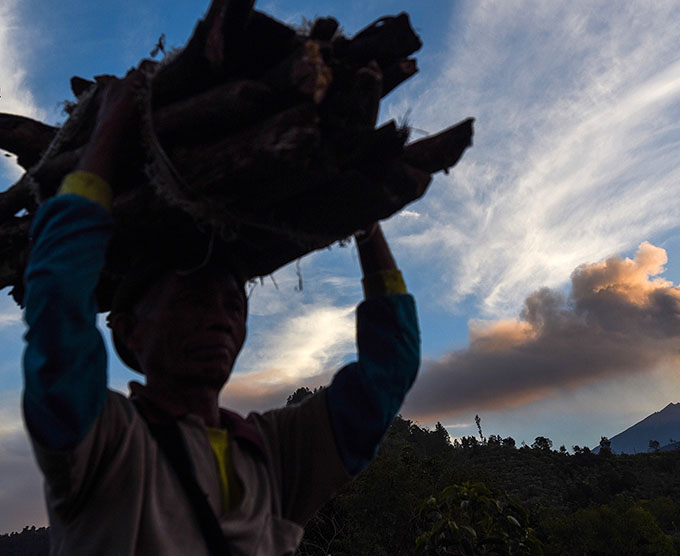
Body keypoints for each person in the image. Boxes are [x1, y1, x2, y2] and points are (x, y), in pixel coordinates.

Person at [22, 70, 420, 555]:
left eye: (234, 304)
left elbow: (390, 369)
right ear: (129, 330)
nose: (221, 318)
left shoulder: (271, 455)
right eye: (192, 299)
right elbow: (59, 307)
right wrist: (108, 129)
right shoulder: (105, 443)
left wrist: (361, 216)